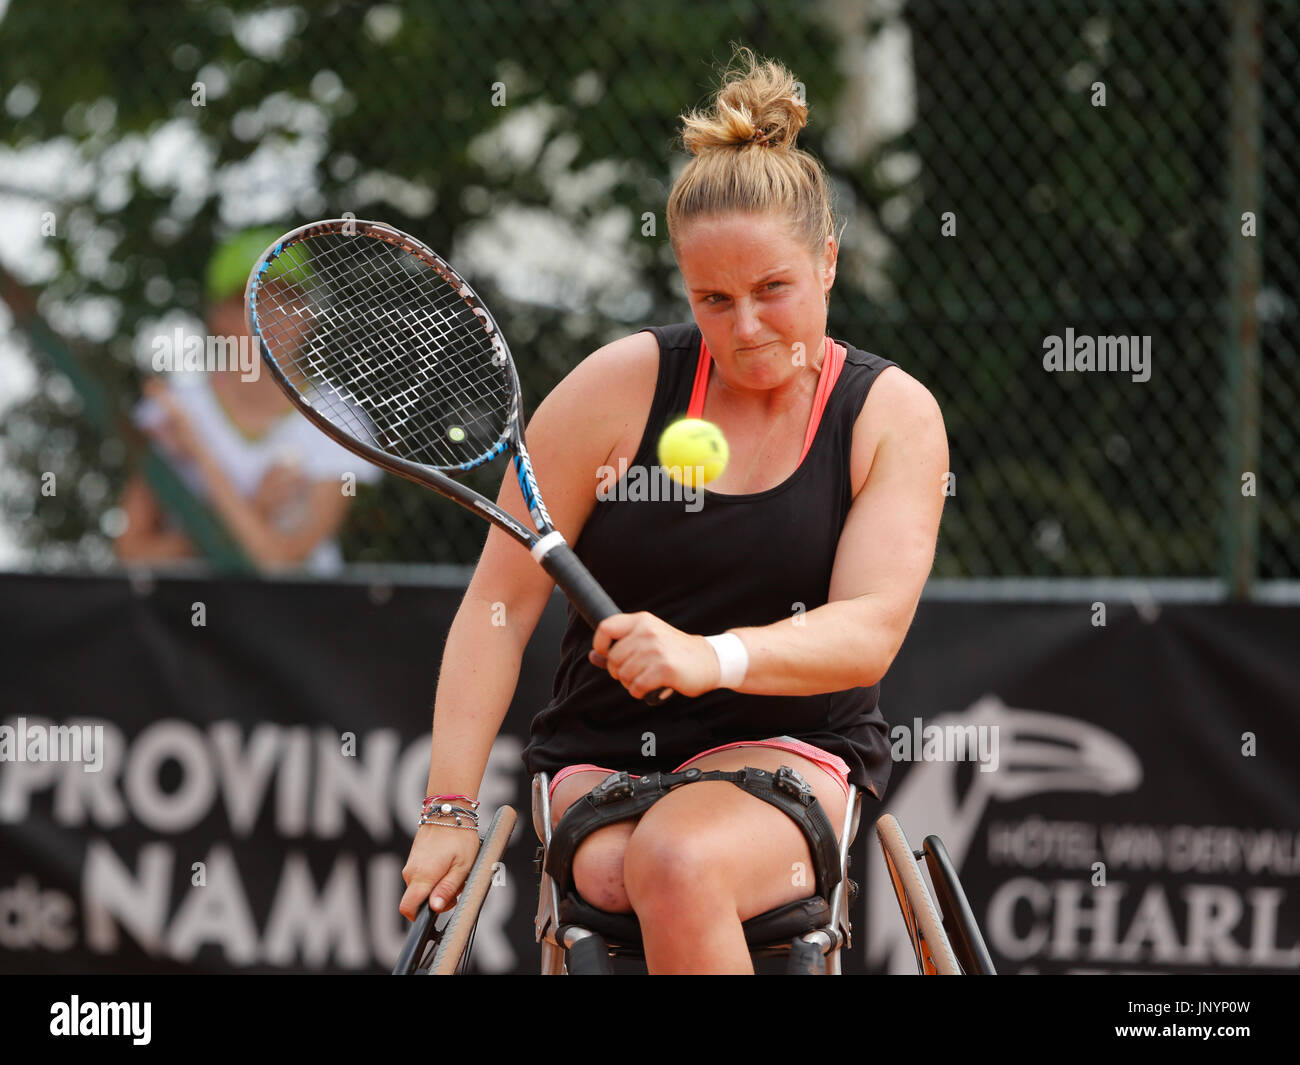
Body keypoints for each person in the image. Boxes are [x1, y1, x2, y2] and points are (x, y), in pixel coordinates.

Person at [399, 49, 948, 974]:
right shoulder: (615, 390)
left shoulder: (890, 415)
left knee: (675, 858)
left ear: (828, 259)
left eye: (774, 289)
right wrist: (448, 810)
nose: (746, 329)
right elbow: (498, 603)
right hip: (602, 756)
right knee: (620, 868)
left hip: (793, 747)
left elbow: (869, 631)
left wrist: (709, 658)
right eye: (713, 299)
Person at [113, 228, 380, 573]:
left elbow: (280, 562)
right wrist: (254, 511)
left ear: (308, 316)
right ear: (218, 316)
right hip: (187, 620)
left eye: (287, 300)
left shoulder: (340, 419)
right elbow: (132, 552)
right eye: (252, 301)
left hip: (300, 619)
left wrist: (199, 454)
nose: (269, 318)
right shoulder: (171, 409)